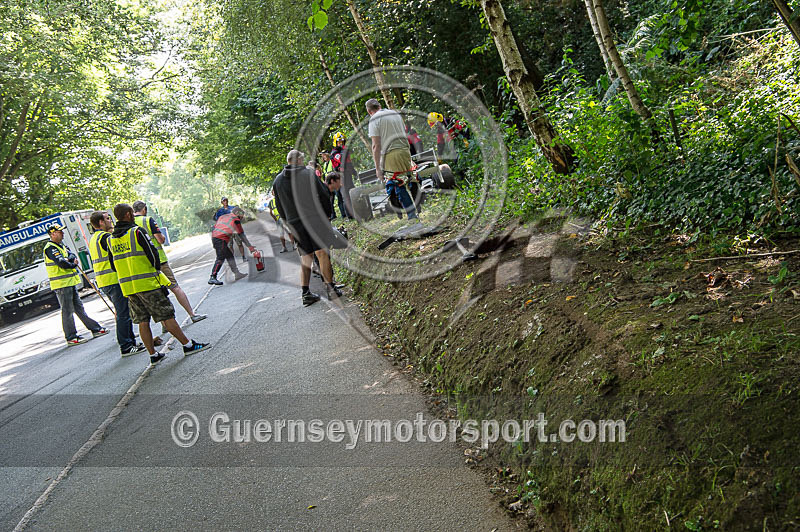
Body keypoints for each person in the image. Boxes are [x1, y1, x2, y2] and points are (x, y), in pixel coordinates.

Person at [108, 203, 209, 365]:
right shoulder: (136, 232)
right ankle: (188, 345)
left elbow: (113, 265)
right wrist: (155, 272)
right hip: (148, 283)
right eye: (131, 213)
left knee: (143, 320)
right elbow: (153, 255)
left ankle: (153, 355)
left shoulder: (112, 239)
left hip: (129, 288)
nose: (133, 215)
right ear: (127, 214)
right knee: (166, 315)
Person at [272, 149, 342, 306]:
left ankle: (305, 294)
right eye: (302, 160)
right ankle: (331, 289)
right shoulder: (308, 174)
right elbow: (324, 194)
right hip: (314, 219)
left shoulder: (277, 181)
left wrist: (287, 224)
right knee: (322, 253)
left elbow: (279, 206)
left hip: (295, 223)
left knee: (306, 257)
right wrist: (327, 215)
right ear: (298, 161)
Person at [132, 201, 207, 324]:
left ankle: (165, 323)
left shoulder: (130, 224)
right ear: (144, 209)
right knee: (175, 287)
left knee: (157, 293)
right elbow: (160, 240)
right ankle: (192, 314)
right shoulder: (147, 220)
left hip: (145, 265)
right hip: (159, 261)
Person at [88, 211, 145, 356]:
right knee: (123, 313)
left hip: (104, 281)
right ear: (101, 222)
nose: (110, 221)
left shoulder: (94, 238)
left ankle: (131, 342)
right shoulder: (105, 237)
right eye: (107, 219)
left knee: (123, 312)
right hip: (113, 280)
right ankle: (126, 346)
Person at [43, 224, 109, 346]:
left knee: (79, 308)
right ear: (52, 234)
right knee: (67, 311)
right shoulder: (50, 248)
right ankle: (71, 337)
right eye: (59, 232)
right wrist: (72, 263)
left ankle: (95, 328)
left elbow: (72, 255)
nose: (62, 233)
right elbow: (62, 263)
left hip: (70, 282)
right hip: (61, 284)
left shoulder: (61, 245)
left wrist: (70, 260)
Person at [366, 98, 418, 220]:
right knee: (409, 179)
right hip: (405, 150)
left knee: (397, 184)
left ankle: (412, 215)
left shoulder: (374, 119)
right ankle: (416, 207)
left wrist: (378, 168)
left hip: (390, 154)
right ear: (379, 105)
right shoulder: (394, 113)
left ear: (369, 111)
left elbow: (376, 145)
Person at [208, 207, 256, 285]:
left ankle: (237, 273)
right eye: (241, 216)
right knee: (220, 258)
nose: (242, 218)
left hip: (215, 237)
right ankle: (213, 277)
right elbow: (241, 235)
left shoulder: (223, 216)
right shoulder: (235, 219)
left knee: (230, 255)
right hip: (221, 239)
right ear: (237, 213)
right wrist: (250, 247)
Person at [329, 132, 355, 219]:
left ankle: (355, 210)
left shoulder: (344, 151)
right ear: (336, 142)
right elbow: (341, 160)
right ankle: (350, 215)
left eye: (342, 142)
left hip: (347, 174)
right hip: (341, 176)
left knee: (352, 192)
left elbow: (349, 162)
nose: (341, 143)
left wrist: (354, 171)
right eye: (339, 142)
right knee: (345, 195)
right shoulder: (334, 153)